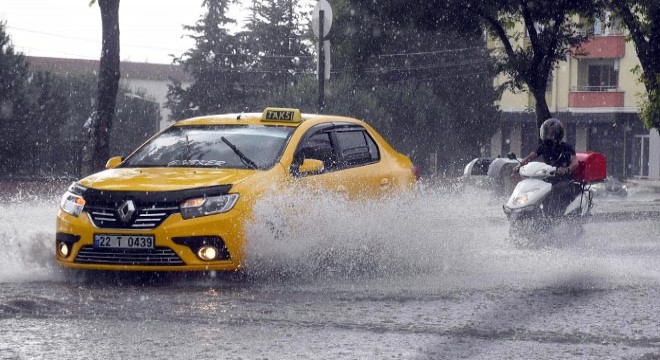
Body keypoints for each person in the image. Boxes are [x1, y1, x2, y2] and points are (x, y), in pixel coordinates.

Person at [513, 118, 580, 216]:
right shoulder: (543, 146)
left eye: (551, 133)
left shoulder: (566, 147)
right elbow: (531, 157)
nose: (548, 135)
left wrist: (566, 169)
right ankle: (538, 213)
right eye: (546, 132)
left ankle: (554, 216)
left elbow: (575, 163)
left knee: (554, 191)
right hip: (549, 178)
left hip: (564, 179)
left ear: (558, 134)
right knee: (536, 189)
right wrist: (519, 165)